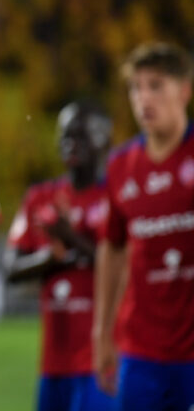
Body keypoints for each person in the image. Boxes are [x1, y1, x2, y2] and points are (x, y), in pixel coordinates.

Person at [94, 42, 194, 411]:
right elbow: (112, 247)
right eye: (136, 87)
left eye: (156, 85)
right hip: (141, 350)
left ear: (184, 91)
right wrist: (102, 333)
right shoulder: (121, 166)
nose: (143, 98)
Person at [5, 101, 115, 411]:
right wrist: (50, 258)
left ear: (105, 139)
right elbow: (10, 269)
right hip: (53, 364)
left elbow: (128, 270)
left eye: (81, 135)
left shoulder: (119, 194)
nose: (70, 143)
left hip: (102, 359)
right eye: (64, 135)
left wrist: (71, 238)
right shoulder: (39, 198)